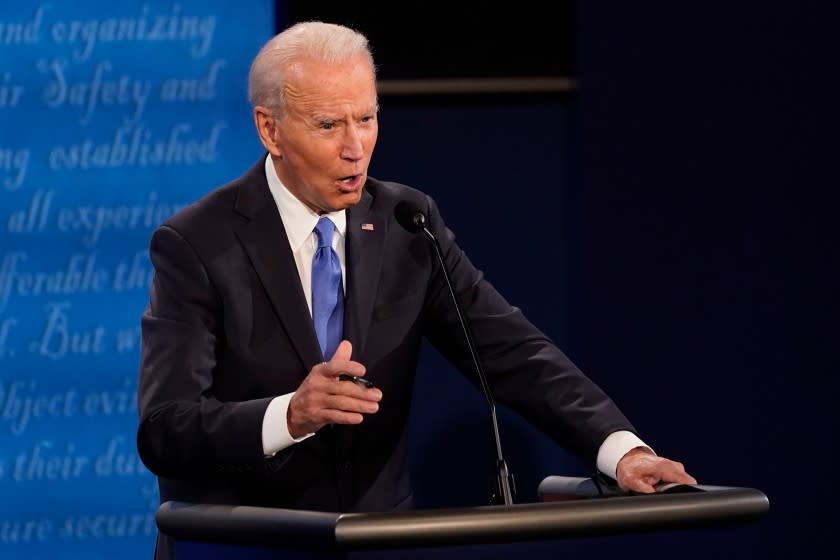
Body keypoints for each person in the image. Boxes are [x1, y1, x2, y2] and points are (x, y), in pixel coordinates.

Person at [136, 20, 696, 559]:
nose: (356, 147)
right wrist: (289, 415)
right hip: (245, 548)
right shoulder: (198, 244)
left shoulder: (408, 223)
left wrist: (620, 450)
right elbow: (165, 428)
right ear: (270, 129)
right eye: (329, 126)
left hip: (377, 543)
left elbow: (511, 353)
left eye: (367, 118)